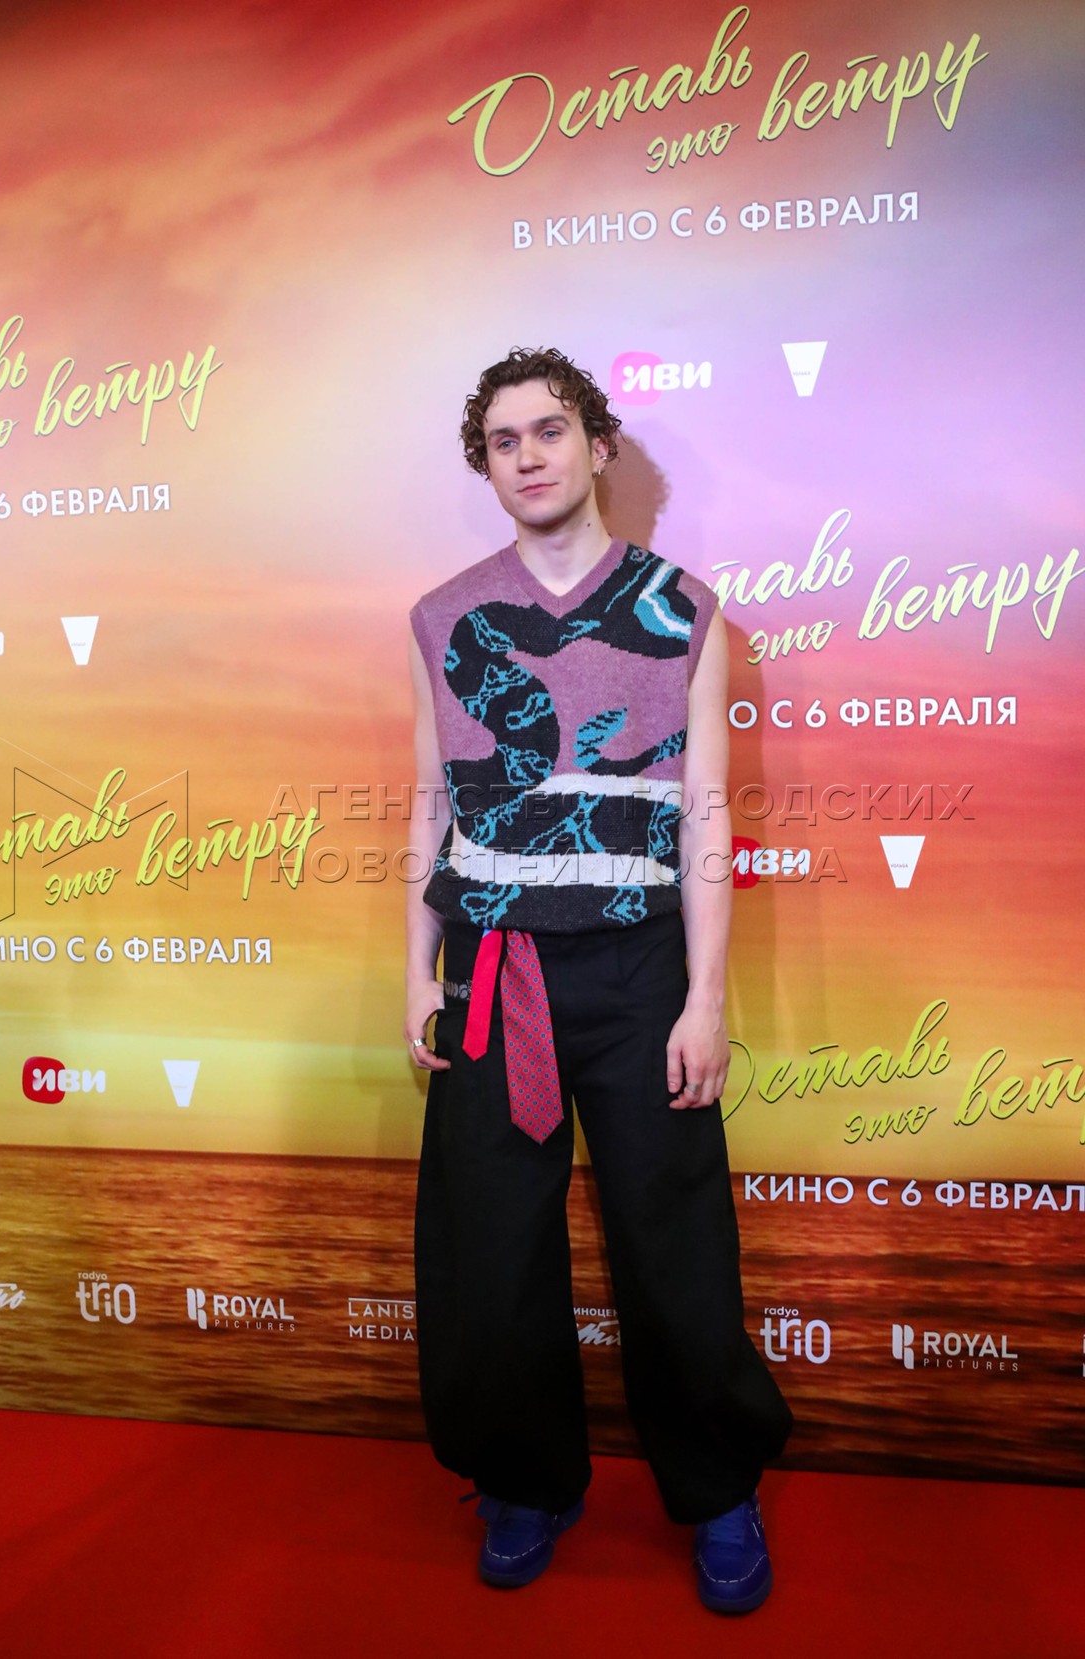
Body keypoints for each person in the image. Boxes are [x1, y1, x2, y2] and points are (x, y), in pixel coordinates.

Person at [404, 347, 791, 1614]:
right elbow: (430, 801)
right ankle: (526, 1478)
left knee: (673, 1240)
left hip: (639, 970)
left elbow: (705, 814)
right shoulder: (445, 615)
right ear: (486, 466)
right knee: (492, 1246)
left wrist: (705, 1000)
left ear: (599, 446)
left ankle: (717, 1489)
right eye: (503, 440)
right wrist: (417, 969)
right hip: (496, 967)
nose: (529, 456)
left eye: (551, 430)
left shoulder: (683, 607)